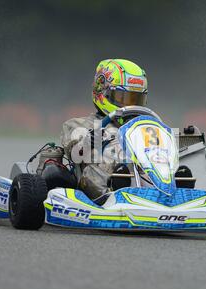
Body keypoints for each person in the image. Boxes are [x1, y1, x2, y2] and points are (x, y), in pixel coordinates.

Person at [60, 59, 148, 200]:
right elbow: (75, 153)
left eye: (135, 100)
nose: (130, 106)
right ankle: (115, 191)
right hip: (102, 179)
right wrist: (90, 140)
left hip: (142, 175)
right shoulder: (78, 124)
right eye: (124, 98)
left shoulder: (142, 127)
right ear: (102, 92)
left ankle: (177, 187)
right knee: (97, 169)